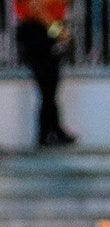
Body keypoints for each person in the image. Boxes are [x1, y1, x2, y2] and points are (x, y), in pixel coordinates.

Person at [14, 0, 75, 146]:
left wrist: (58, 31)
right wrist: (59, 32)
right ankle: (47, 132)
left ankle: (52, 130)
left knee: (51, 84)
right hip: (35, 32)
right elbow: (37, 9)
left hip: (44, 30)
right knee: (47, 83)